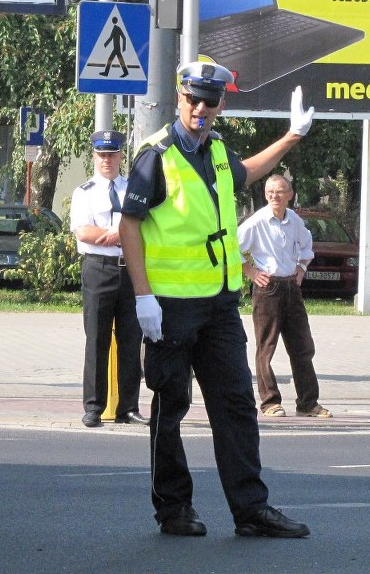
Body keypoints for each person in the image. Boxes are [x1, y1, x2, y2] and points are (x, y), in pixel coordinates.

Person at [119, 61, 315, 539]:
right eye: (193, 99)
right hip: (169, 307)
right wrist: (143, 297)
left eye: (210, 100)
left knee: (236, 406)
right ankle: (173, 509)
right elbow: (129, 225)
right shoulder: (156, 156)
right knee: (171, 406)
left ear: (221, 103)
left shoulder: (219, 151)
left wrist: (292, 136)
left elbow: (248, 173)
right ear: (179, 98)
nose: (201, 108)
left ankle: (251, 510)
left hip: (219, 306)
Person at [69, 130, 146, 428]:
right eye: (102, 155)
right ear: (94, 156)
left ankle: (128, 407)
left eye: (112, 155)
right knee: (97, 339)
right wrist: (120, 235)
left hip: (131, 269)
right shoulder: (84, 192)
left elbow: (144, 226)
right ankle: (94, 407)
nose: (107, 160)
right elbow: (83, 232)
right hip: (98, 269)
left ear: (120, 156)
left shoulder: (132, 189)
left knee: (131, 340)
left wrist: (120, 235)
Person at [238, 174, 331, 419]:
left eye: (279, 192)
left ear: (289, 195)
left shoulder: (295, 221)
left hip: (291, 287)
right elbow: (232, 248)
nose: (274, 196)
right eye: (270, 192)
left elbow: (306, 245)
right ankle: (270, 402)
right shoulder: (257, 222)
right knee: (266, 347)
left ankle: (308, 403)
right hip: (268, 289)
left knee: (302, 347)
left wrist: (302, 268)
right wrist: (250, 271)